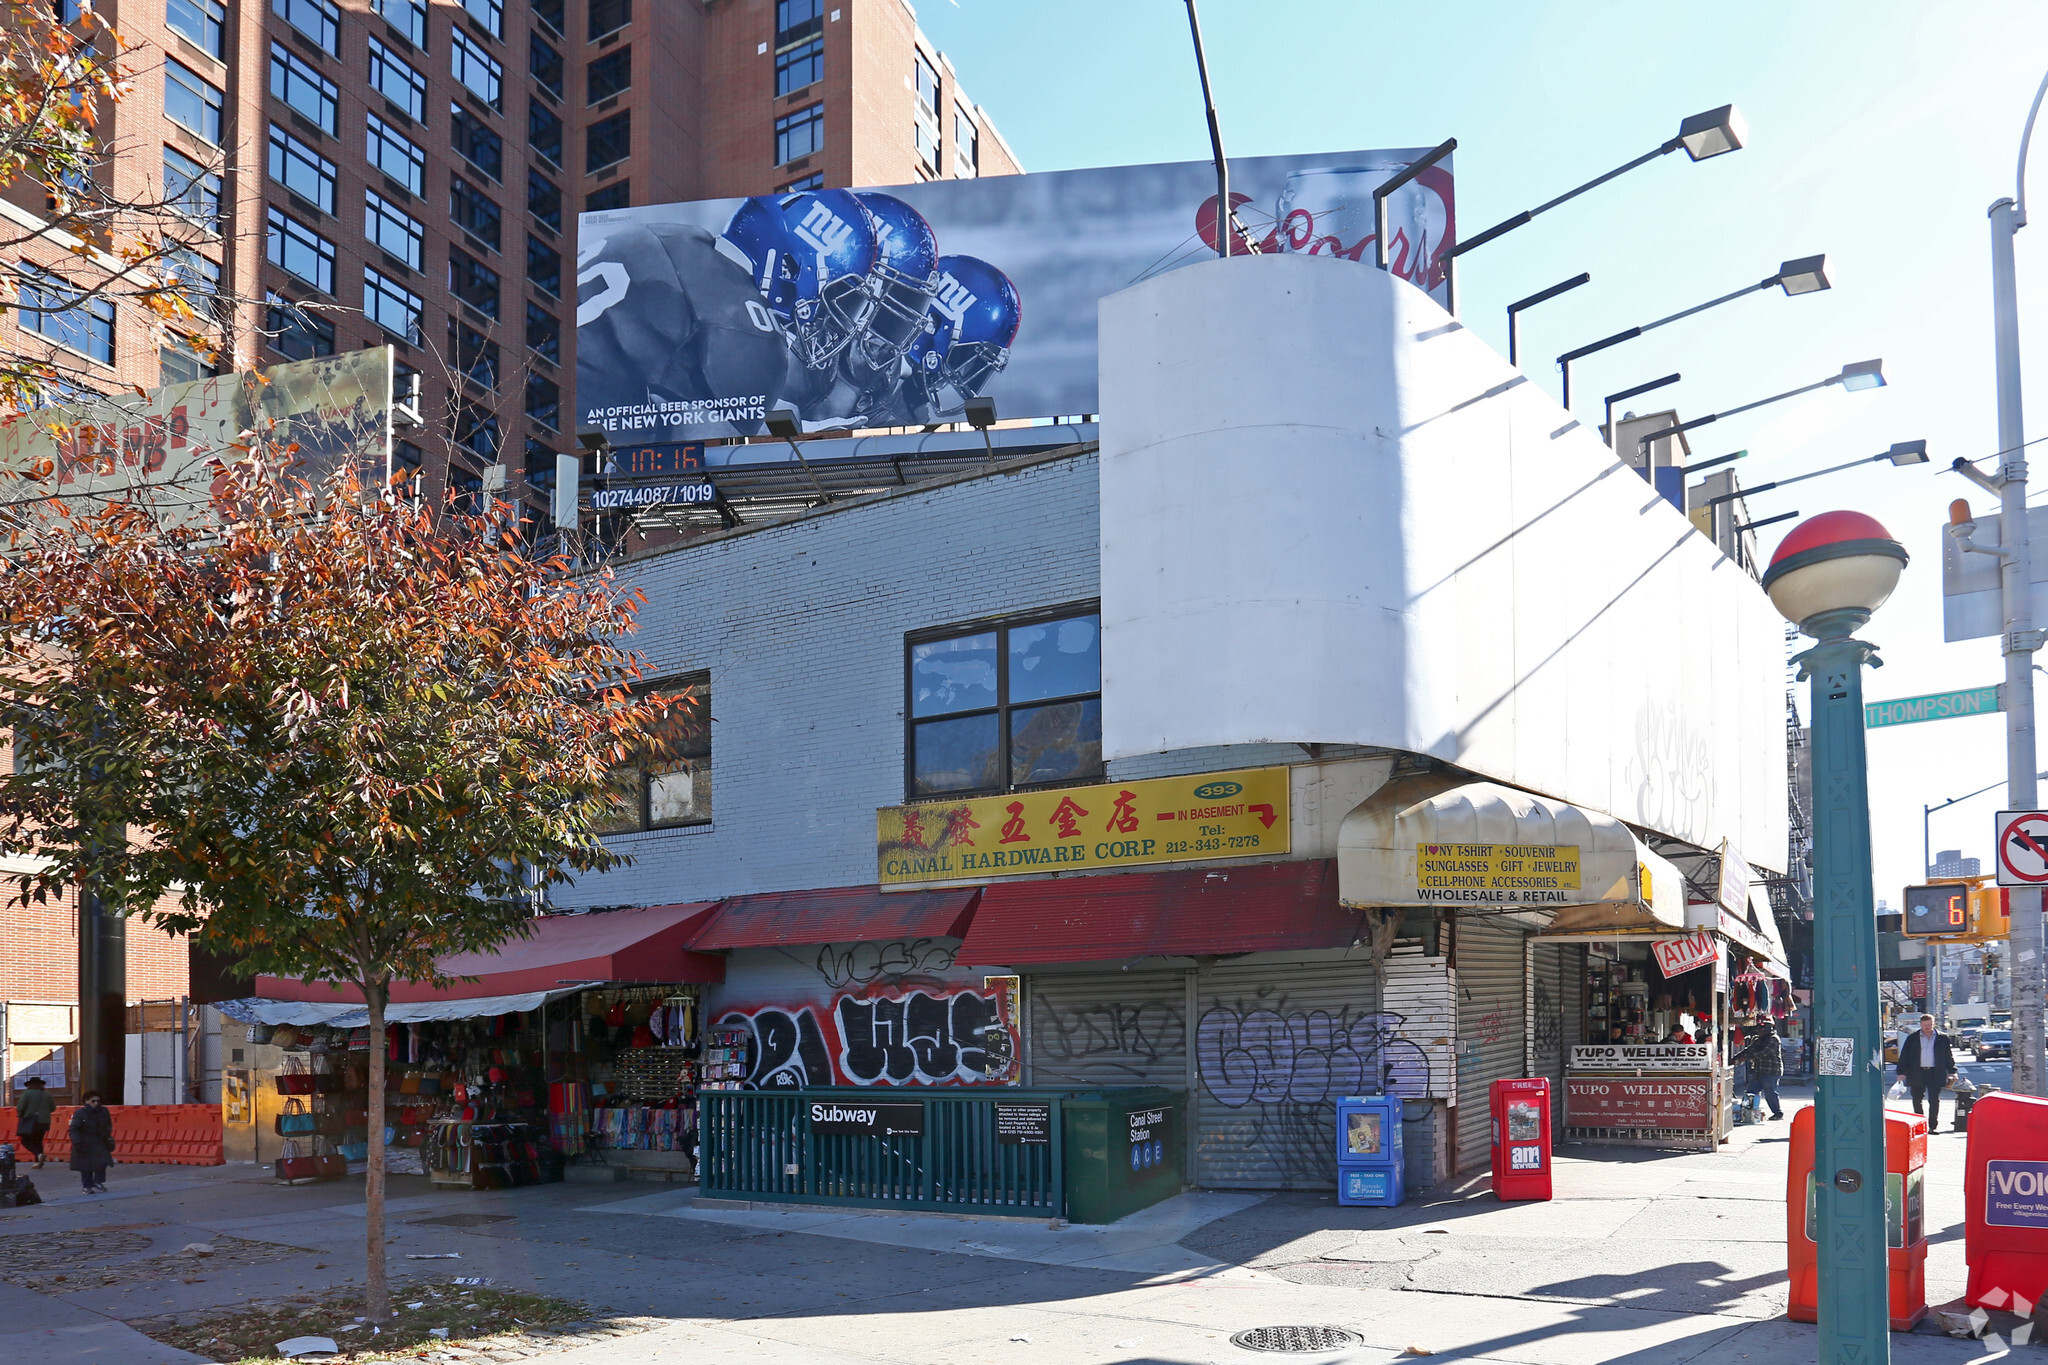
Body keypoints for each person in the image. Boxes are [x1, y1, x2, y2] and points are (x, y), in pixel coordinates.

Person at [1897, 1013, 1957, 1131]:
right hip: (1917, 1072)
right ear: (1920, 1025)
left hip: (1935, 1072)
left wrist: (1952, 1071)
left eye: (1929, 1024)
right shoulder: (1912, 1038)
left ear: (1933, 1024)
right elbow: (1904, 1056)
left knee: (1934, 1100)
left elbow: (1948, 1056)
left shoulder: (1942, 1038)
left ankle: (1932, 1127)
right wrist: (1901, 1072)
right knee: (1917, 1099)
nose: (1927, 1027)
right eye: (1925, 1025)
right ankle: (1919, 1126)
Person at [1733, 1017, 1785, 1120]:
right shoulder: (1758, 1040)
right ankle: (1746, 1114)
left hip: (1771, 1071)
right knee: (1750, 1093)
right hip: (1759, 1070)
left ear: (1768, 1029)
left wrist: (1746, 1058)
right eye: (1759, 1029)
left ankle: (1778, 1113)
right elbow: (1749, 1050)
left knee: (1770, 1092)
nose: (1759, 1031)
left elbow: (1764, 1053)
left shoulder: (1774, 1039)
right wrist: (1736, 1058)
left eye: (1762, 1029)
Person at [68, 1090, 113, 1193]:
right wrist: (77, 1141)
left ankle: (98, 1182)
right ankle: (87, 1186)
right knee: (86, 1166)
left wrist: (106, 1134)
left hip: (99, 1141)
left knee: (102, 1163)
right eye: (93, 1101)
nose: (96, 1103)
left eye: (98, 1101)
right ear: (86, 1101)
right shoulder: (80, 1113)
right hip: (85, 1142)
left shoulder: (104, 1111)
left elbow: (108, 1124)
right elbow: (74, 1128)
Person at [14, 1077, 53, 1168]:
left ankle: (39, 1155)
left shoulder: (26, 1094)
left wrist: (21, 1115)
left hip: (30, 1121)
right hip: (44, 1122)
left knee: (25, 1140)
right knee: (38, 1141)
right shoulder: (46, 1095)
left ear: (29, 1085)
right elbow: (53, 1108)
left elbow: (20, 1107)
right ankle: (38, 1162)